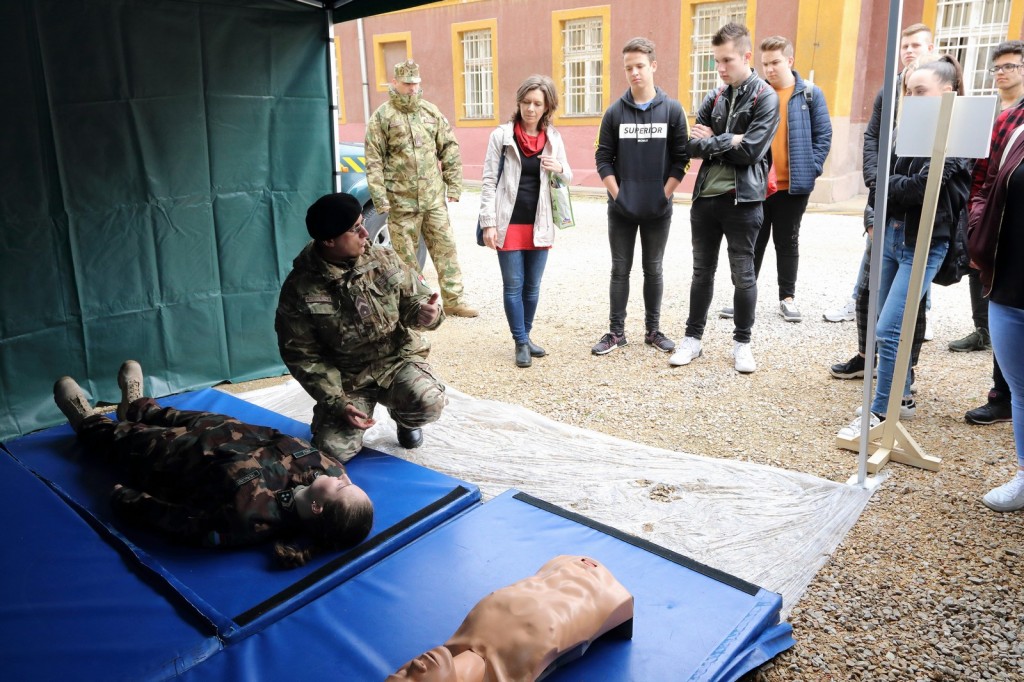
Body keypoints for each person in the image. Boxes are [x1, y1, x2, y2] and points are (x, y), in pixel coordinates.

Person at [51, 360, 373, 568]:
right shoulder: (328, 469)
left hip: (171, 458)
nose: (343, 478)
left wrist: (130, 501)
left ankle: (86, 420)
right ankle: (136, 405)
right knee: (162, 414)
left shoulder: (251, 520)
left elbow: (184, 523)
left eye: (342, 488)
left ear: (317, 507)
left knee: (119, 439)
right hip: (221, 428)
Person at [837, 55, 971, 440]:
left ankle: (881, 410)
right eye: (908, 92)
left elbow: (921, 189)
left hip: (924, 242)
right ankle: (901, 396)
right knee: (885, 320)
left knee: (889, 327)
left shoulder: (957, 136)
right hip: (892, 235)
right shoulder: (905, 129)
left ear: (948, 92)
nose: (911, 99)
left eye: (920, 91)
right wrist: (889, 187)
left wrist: (888, 185)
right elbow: (879, 179)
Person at [276, 192, 447, 460]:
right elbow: (302, 356)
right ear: (329, 240)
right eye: (355, 228)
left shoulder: (383, 258)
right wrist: (337, 402)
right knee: (332, 451)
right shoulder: (300, 288)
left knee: (428, 402)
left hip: (395, 361)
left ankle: (405, 420)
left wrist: (426, 314)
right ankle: (351, 413)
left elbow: (416, 300)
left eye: (362, 223)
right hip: (347, 378)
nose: (366, 233)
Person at [670, 22, 779, 373]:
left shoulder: (766, 97)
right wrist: (731, 138)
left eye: (727, 60)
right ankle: (692, 339)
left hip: (743, 201)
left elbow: (751, 152)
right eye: (716, 60)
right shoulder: (714, 96)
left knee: (743, 275)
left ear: (746, 57)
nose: (720, 68)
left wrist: (715, 140)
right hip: (705, 199)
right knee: (701, 273)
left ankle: (742, 344)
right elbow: (690, 145)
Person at [829, 26, 935, 383]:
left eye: (916, 45)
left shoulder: (935, 99)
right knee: (865, 291)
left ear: (931, 48)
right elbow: (873, 137)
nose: (909, 50)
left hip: (915, 217)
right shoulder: (889, 91)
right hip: (884, 205)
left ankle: (906, 372)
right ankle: (865, 357)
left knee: (911, 305)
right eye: (905, 45)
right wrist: (875, 191)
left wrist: (888, 188)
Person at [386, 555, 634, 682]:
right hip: (605, 592)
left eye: (401, 673)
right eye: (412, 681)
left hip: (561, 564)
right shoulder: (512, 671)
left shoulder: (460, 642)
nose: (414, 666)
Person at [591, 37, 689, 356]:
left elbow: (681, 159)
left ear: (653, 66)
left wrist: (664, 194)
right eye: (628, 68)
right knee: (620, 269)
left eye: (640, 66)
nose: (634, 73)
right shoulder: (614, 113)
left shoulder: (673, 111)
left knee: (653, 269)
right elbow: (603, 158)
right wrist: (619, 196)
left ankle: (653, 330)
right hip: (621, 208)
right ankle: (616, 332)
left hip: (658, 208)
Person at [365, 59, 477, 318]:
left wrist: (453, 184)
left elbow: (449, 147)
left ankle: (454, 300)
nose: (412, 88)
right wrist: (380, 199)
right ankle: (416, 305)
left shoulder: (430, 112)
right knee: (406, 260)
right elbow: (373, 160)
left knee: (446, 249)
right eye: (407, 84)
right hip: (401, 203)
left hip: (433, 200)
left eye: (415, 83)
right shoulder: (382, 117)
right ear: (395, 82)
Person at [478, 75, 572, 368]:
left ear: (547, 107)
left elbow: (567, 176)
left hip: (539, 223)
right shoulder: (502, 136)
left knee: (532, 286)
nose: (531, 108)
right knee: (513, 285)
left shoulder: (553, 139)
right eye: (526, 102)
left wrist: (559, 167)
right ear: (518, 103)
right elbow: (489, 180)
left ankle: (526, 336)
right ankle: (520, 341)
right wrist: (488, 223)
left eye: (537, 104)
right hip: (508, 222)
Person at [954, 41, 1024, 426]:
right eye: (996, 67)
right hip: (996, 230)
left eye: (1009, 66)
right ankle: (1002, 395)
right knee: (998, 306)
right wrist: (977, 219)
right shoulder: (997, 116)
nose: (1000, 73)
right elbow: (981, 173)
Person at [748, 35, 832, 323]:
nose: (769, 69)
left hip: (793, 187)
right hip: (758, 185)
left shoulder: (810, 93)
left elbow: (823, 135)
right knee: (753, 242)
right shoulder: (757, 93)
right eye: (765, 64)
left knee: (787, 242)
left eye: (775, 62)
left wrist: (812, 167)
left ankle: (787, 299)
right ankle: (745, 297)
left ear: (790, 61)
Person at [968, 104, 1024, 511]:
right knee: (1020, 391)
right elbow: (985, 186)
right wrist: (977, 232)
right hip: (1008, 288)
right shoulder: (1016, 128)